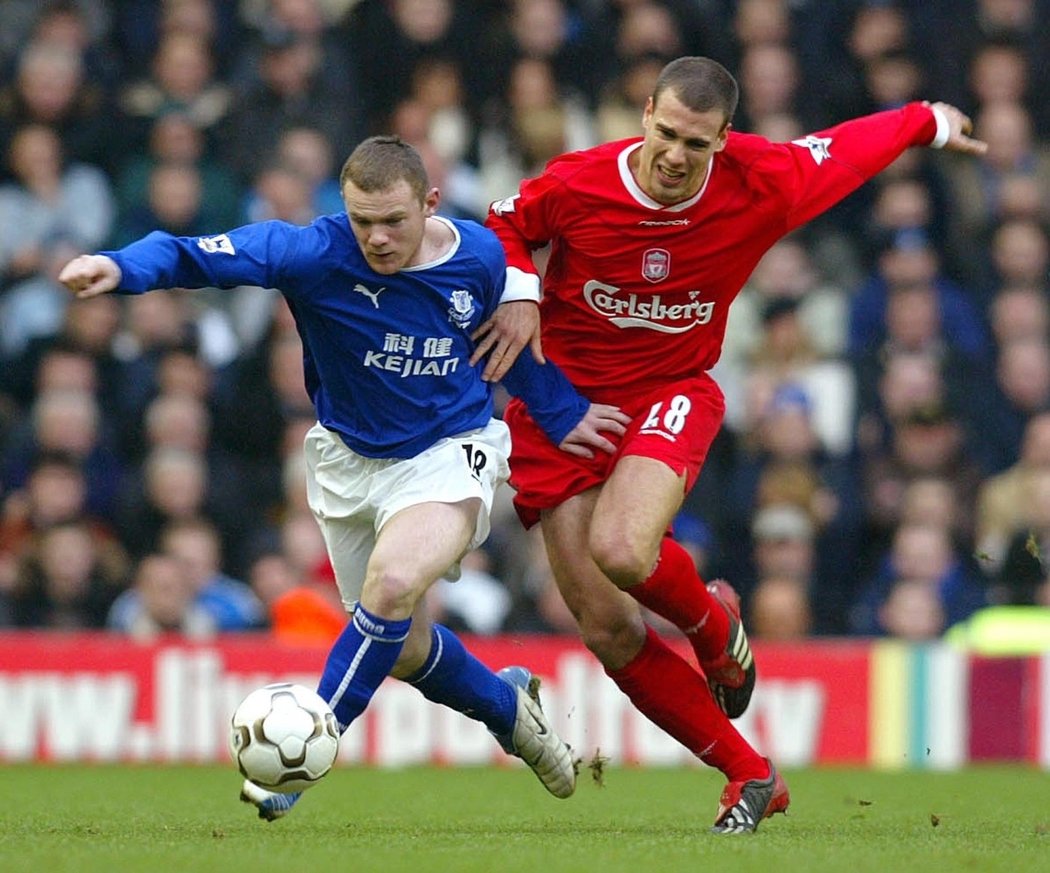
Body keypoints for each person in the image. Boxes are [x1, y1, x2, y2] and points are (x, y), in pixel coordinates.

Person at [483, 55, 988, 834]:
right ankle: (752, 774)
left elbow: (845, 149)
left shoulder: (763, 180)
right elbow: (504, 224)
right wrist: (519, 293)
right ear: (645, 112)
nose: (678, 154)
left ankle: (715, 628)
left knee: (624, 548)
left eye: (698, 143)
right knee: (606, 626)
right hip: (564, 409)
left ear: (725, 139)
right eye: (668, 132)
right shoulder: (579, 181)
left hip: (670, 389)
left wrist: (926, 118)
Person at [59, 135, 628, 820]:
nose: (378, 238)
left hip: (452, 449)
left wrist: (562, 410)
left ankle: (301, 749)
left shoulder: (477, 255)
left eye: (393, 220)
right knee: (403, 645)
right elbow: (193, 254)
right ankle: (510, 709)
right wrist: (118, 268)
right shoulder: (313, 253)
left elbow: (508, 344)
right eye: (362, 220)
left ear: (430, 203)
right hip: (347, 462)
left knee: (390, 586)